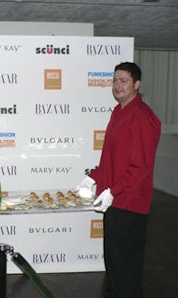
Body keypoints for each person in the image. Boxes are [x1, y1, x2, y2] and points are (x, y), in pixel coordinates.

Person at [76, 62, 161, 298]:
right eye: (114, 80)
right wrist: (93, 178)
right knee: (114, 269)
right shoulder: (118, 111)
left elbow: (140, 167)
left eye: (124, 81)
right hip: (113, 202)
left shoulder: (142, 117)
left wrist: (114, 190)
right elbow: (111, 159)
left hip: (130, 206)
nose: (117, 85)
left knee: (126, 272)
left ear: (137, 84)